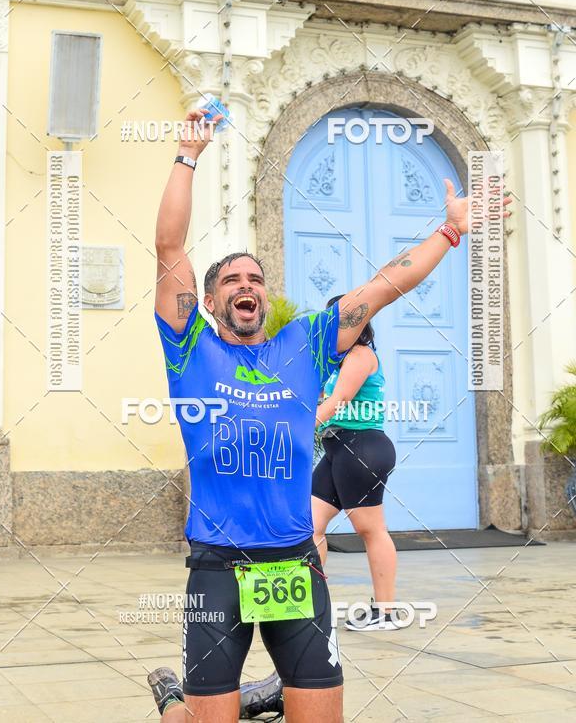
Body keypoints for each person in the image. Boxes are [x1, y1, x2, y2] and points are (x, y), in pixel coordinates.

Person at [147, 109, 510, 722]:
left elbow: (384, 286)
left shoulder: (307, 344)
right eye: (232, 279)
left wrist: (450, 235)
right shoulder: (190, 348)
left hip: (294, 564)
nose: (247, 285)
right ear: (209, 302)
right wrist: (186, 155)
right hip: (216, 567)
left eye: (256, 278)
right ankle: (173, 702)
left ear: (265, 296)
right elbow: (169, 246)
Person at [312, 298, 398, 631]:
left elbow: (337, 402)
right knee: (311, 525)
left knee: (370, 529)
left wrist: (295, 433)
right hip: (338, 448)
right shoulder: (336, 363)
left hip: (363, 448)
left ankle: (387, 612)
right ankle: (313, 606)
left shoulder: (362, 356)